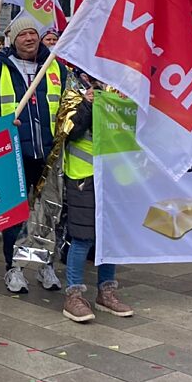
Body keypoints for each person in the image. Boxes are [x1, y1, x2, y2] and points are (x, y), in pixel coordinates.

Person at [0, 14, 66, 294]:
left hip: (49, 154)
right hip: (14, 154)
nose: (29, 38)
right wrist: (2, 126)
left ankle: (44, 264)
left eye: (33, 33)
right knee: (14, 215)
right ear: (13, 39)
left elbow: (67, 105)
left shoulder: (55, 67)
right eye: (22, 34)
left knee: (47, 213)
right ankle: (14, 268)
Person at [61, 76, 133, 323]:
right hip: (83, 175)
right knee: (82, 238)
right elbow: (70, 132)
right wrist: (87, 104)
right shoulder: (74, 89)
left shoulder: (122, 88)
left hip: (114, 175)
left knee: (109, 237)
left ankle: (106, 292)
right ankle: (73, 295)